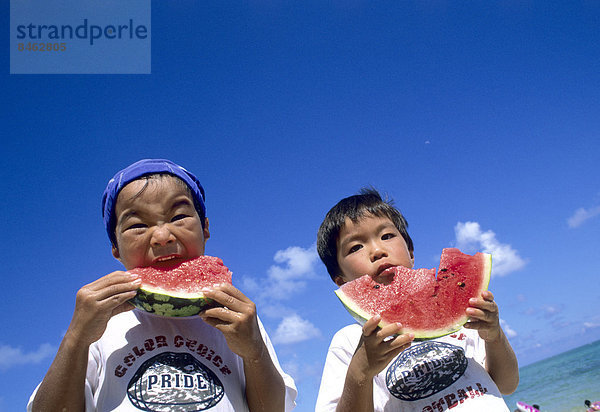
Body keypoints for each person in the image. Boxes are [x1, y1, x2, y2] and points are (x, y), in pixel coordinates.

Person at [28, 159, 297, 411]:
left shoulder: (236, 318)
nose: (162, 236)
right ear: (115, 249)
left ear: (204, 228)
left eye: (178, 217)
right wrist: (76, 338)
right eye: (137, 225)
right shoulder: (100, 327)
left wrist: (254, 351)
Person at [314, 188, 519, 411]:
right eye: (356, 247)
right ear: (341, 281)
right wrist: (360, 370)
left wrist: (494, 336)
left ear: (411, 252)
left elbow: (507, 384)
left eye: (387, 236)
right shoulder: (350, 342)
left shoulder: (465, 317)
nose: (377, 250)